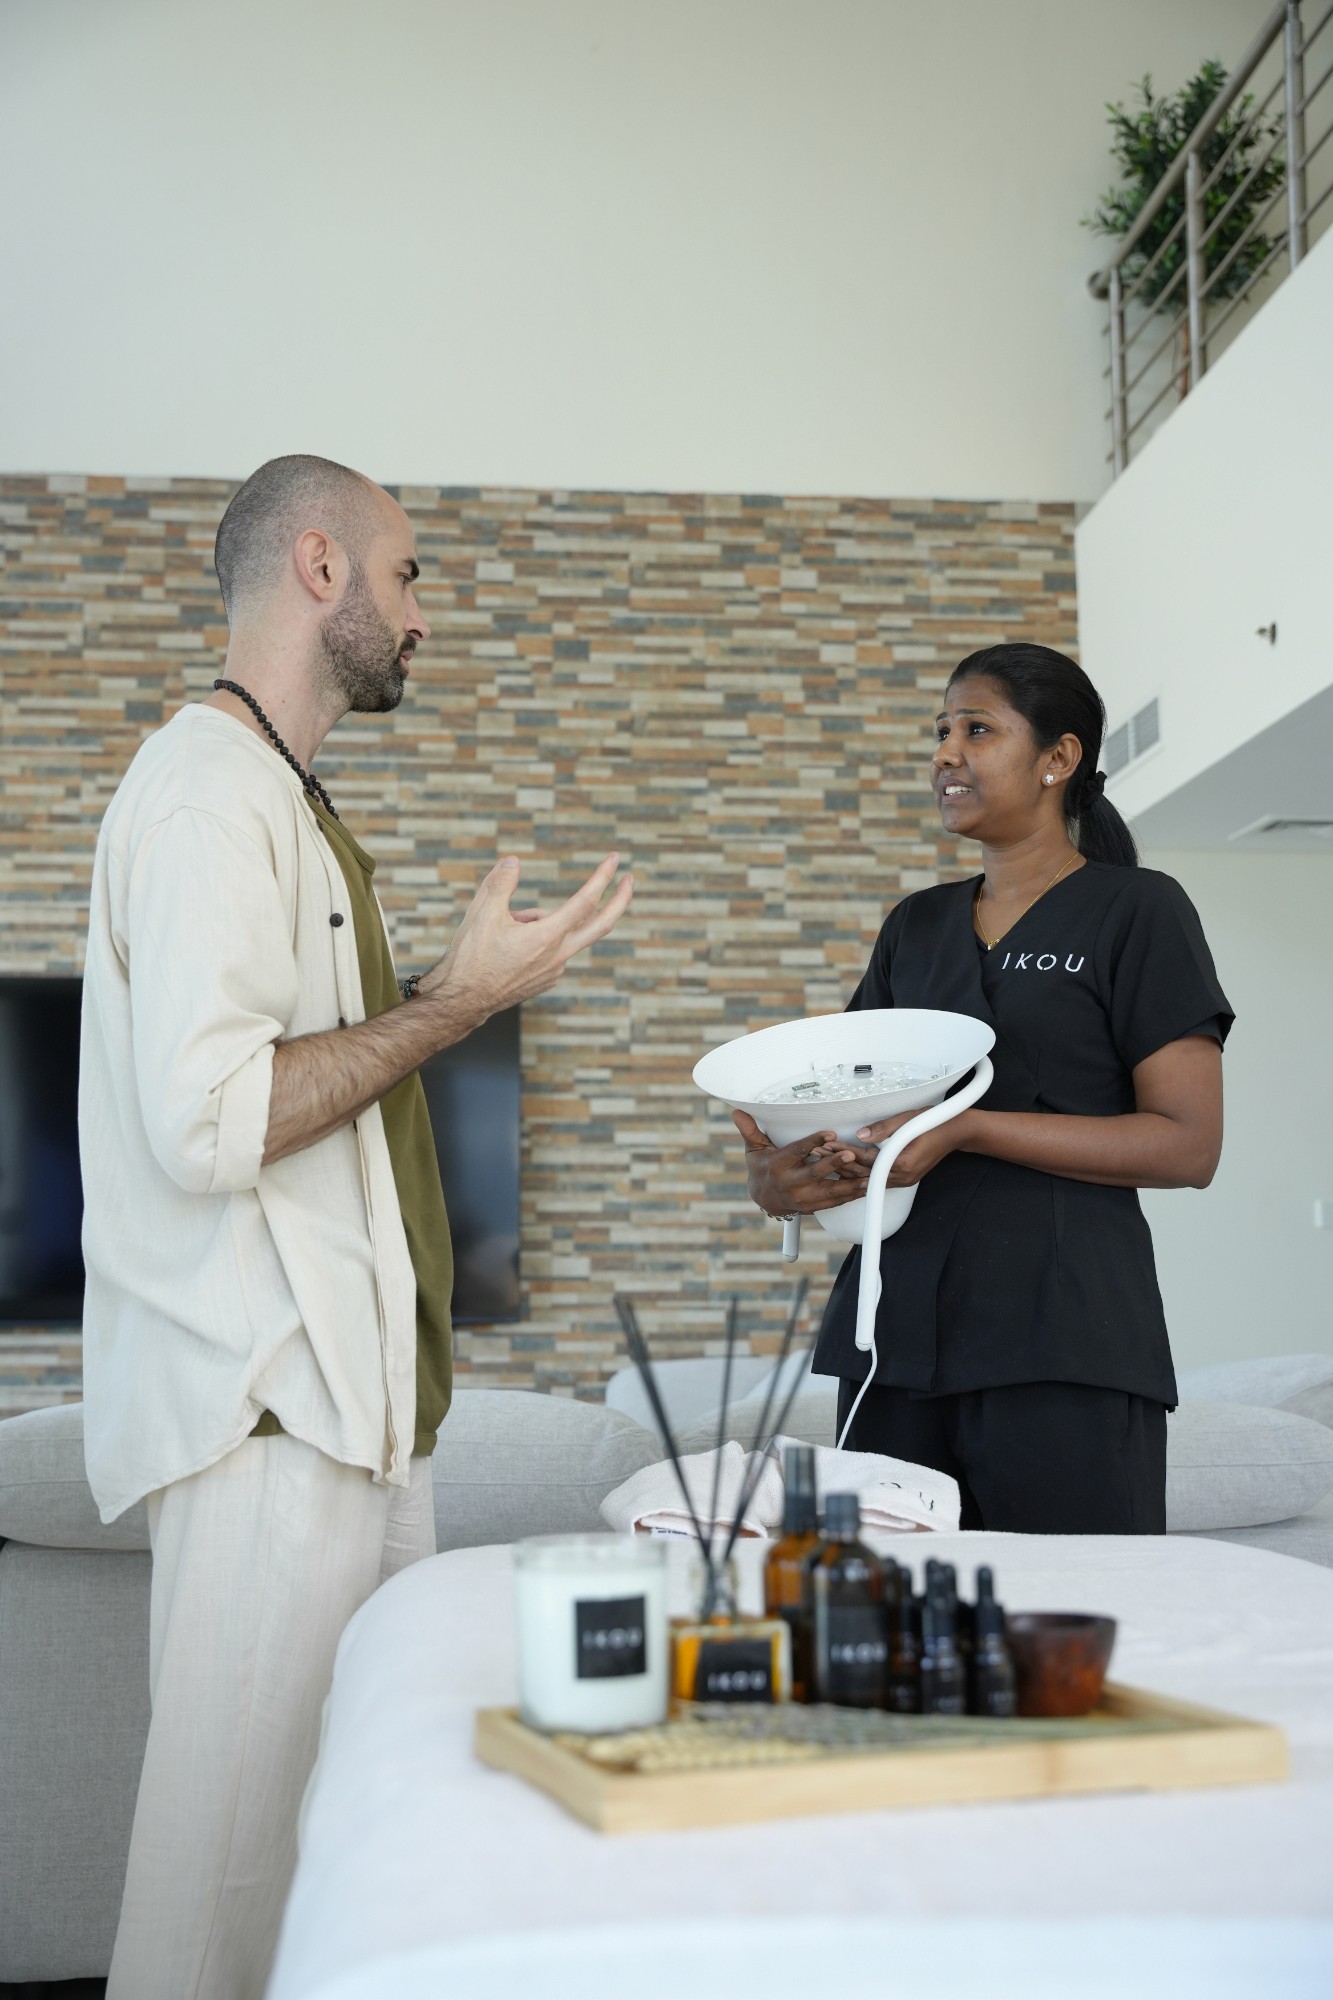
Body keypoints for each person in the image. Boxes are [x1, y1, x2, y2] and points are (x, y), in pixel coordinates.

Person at [79, 454, 632, 2000]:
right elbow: (210, 1119)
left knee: (346, 1869)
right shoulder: (206, 793)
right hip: (270, 1408)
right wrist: (456, 1009)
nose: (420, 615)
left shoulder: (282, 797)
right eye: (405, 575)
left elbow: (320, 1075)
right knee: (217, 1901)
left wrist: (448, 997)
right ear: (317, 567)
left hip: (360, 1420)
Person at [733, 642, 1230, 1535]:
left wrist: (968, 1129)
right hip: (891, 1342)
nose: (945, 754)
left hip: (1064, 1342)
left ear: (1057, 757)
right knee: (886, 1609)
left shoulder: (1137, 910)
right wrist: (779, 1179)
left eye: (976, 730)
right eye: (939, 732)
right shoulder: (914, 928)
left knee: (1069, 1612)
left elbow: (1186, 1144)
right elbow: (845, 1119)